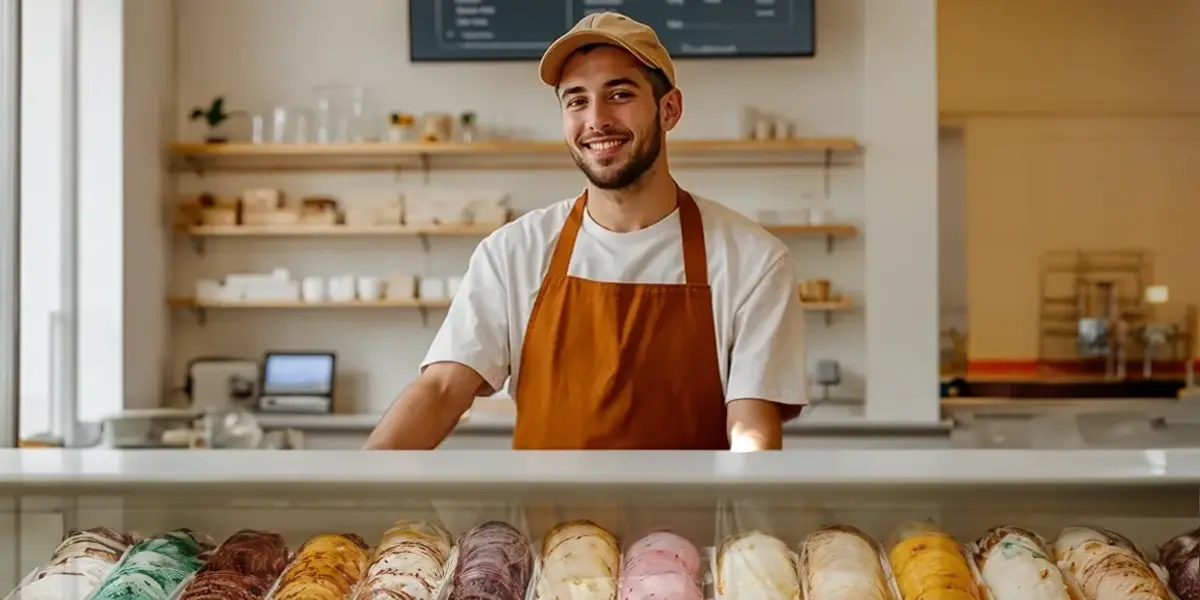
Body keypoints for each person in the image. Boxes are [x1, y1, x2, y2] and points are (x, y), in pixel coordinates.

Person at [364, 12, 808, 451]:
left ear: (669, 109)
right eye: (576, 100)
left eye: (619, 94)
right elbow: (442, 391)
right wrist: (357, 484)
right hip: (549, 523)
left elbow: (751, 429)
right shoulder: (513, 252)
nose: (596, 119)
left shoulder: (752, 259)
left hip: (690, 524)